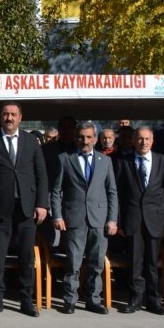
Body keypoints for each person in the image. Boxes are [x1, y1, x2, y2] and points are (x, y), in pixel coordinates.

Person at [0, 102, 49, 317]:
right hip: (0, 209)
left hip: (27, 209)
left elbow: (41, 174)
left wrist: (42, 203)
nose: (9, 118)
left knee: (26, 256)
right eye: (5, 114)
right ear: (0, 118)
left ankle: (26, 301)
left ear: (20, 118)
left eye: (13, 114)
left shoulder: (31, 141)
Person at [51, 121, 118, 314]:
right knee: (73, 262)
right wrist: (57, 215)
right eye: (81, 137)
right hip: (74, 218)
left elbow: (112, 192)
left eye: (89, 137)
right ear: (75, 138)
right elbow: (56, 191)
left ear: (96, 139)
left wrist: (112, 219)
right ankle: (70, 299)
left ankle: (93, 299)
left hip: (99, 219)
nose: (85, 141)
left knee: (96, 263)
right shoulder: (65, 159)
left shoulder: (105, 161)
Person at [114, 126, 164, 315]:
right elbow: (118, 195)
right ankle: (135, 299)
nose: (143, 142)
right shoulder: (123, 162)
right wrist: (119, 221)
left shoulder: (163, 162)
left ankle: (154, 300)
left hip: (155, 220)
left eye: (147, 139)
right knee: (135, 262)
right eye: (139, 139)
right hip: (133, 220)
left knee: (153, 263)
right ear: (133, 140)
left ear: (152, 141)